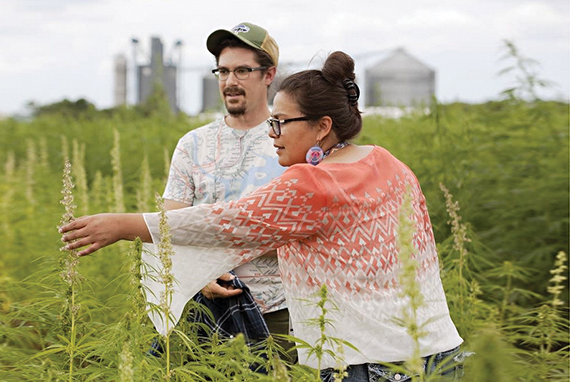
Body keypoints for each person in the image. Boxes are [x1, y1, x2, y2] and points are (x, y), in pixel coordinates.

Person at [60, 51, 465, 381]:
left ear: (322, 126)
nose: (272, 133)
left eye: (281, 122)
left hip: (370, 363)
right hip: (439, 352)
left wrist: (122, 226)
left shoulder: (311, 183)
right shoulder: (388, 163)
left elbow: (225, 221)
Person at [158, 22, 294, 356]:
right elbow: (169, 226)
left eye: (243, 70)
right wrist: (199, 274)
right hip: (204, 310)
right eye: (223, 71)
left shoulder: (294, 140)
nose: (230, 82)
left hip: (279, 310)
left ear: (268, 74)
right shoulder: (193, 145)